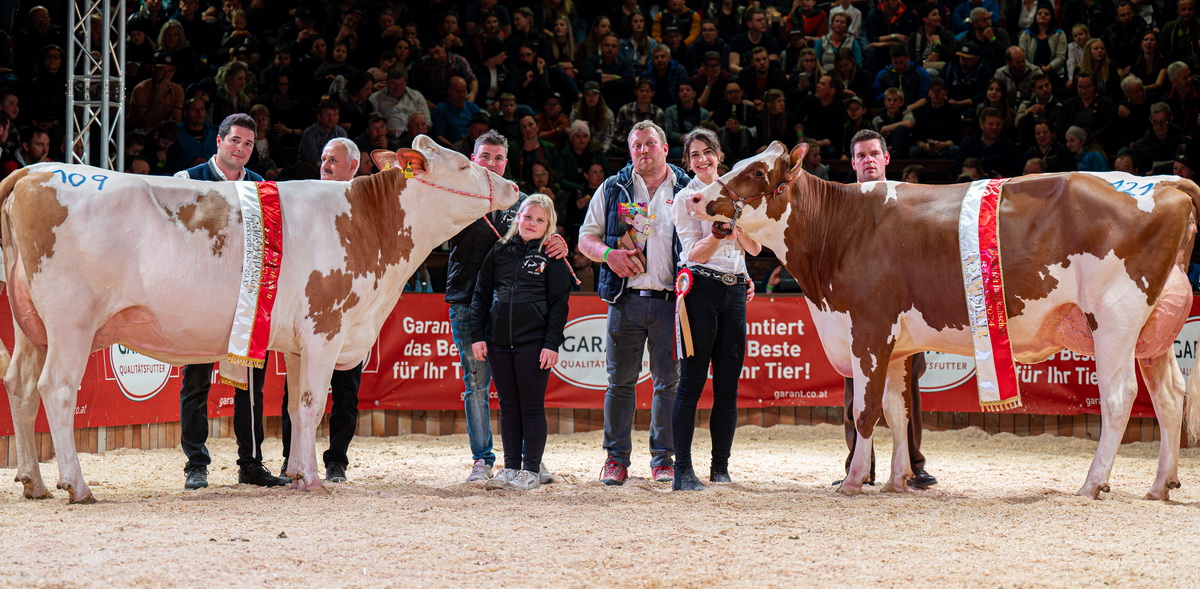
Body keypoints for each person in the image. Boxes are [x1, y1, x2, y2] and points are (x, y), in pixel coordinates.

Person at [174, 113, 288, 491]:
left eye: (248, 144)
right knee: (196, 382)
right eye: (235, 141)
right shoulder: (186, 181)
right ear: (218, 141)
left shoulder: (263, 189)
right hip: (198, 298)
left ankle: (251, 463)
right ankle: (196, 464)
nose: (241, 149)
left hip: (247, 300)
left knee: (251, 386)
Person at [450, 131, 569, 484]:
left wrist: (558, 242)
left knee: (521, 395)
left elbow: (541, 228)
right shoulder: (453, 196)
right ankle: (483, 459)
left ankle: (527, 462)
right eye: (484, 156)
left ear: (507, 161)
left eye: (498, 157)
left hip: (519, 314)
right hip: (467, 301)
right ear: (473, 158)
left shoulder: (517, 200)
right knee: (477, 384)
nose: (491, 163)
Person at [578, 121, 690, 486]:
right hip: (624, 301)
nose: (644, 150)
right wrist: (608, 254)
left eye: (650, 144)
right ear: (630, 151)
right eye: (637, 145)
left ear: (665, 149)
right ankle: (616, 461)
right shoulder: (613, 188)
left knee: (667, 384)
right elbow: (585, 239)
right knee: (620, 383)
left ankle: (663, 461)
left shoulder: (687, 189)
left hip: (670, 302)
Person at [842, 129, 937, 490]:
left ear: (886, 159)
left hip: (904, 311)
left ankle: (914, 465)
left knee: (907, 387)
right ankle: (858, 465)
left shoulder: (906, 200)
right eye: (861, 155)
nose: (867, 160)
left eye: (873, 154)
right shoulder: (843, 203)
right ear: (853, 163)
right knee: (856, 390)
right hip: (858, 313)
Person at [671, 128, 760, 491]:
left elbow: (754, 248)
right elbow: (692, 253)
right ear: (687, 162)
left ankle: (720, 469)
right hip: (700, 289)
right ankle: (683, 472)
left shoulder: (737, 195)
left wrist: (735, 230)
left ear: (719, 155)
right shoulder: (685, 198)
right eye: (694, 155)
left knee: (728, 386)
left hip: (735, 291)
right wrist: (719, 233)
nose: (702, 159)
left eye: (707, 152)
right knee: (691, 383)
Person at [470, 194, 573, 491]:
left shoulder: (552, 256)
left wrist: (551, 344)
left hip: (534, 343)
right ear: (519, 218)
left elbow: (559, 305)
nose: (532, 223)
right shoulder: (500, 249)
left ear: (548, 225)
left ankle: (531, 469)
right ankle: (511, 467)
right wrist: (478, 335)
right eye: (528, 217)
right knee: (507, 406)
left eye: (540, 220)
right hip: (499, 342)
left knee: (530, 406)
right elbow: (481, 293)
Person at [276, 138, 364, 483]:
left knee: (345, 388)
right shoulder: (308, 195)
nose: (325, 165)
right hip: (308, 308)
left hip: (348, 309)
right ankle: (292, 457)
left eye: (334, 160)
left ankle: (336, 461)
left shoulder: (363, 201)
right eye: (324, 158)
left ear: (353, 167)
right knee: (296, 387)